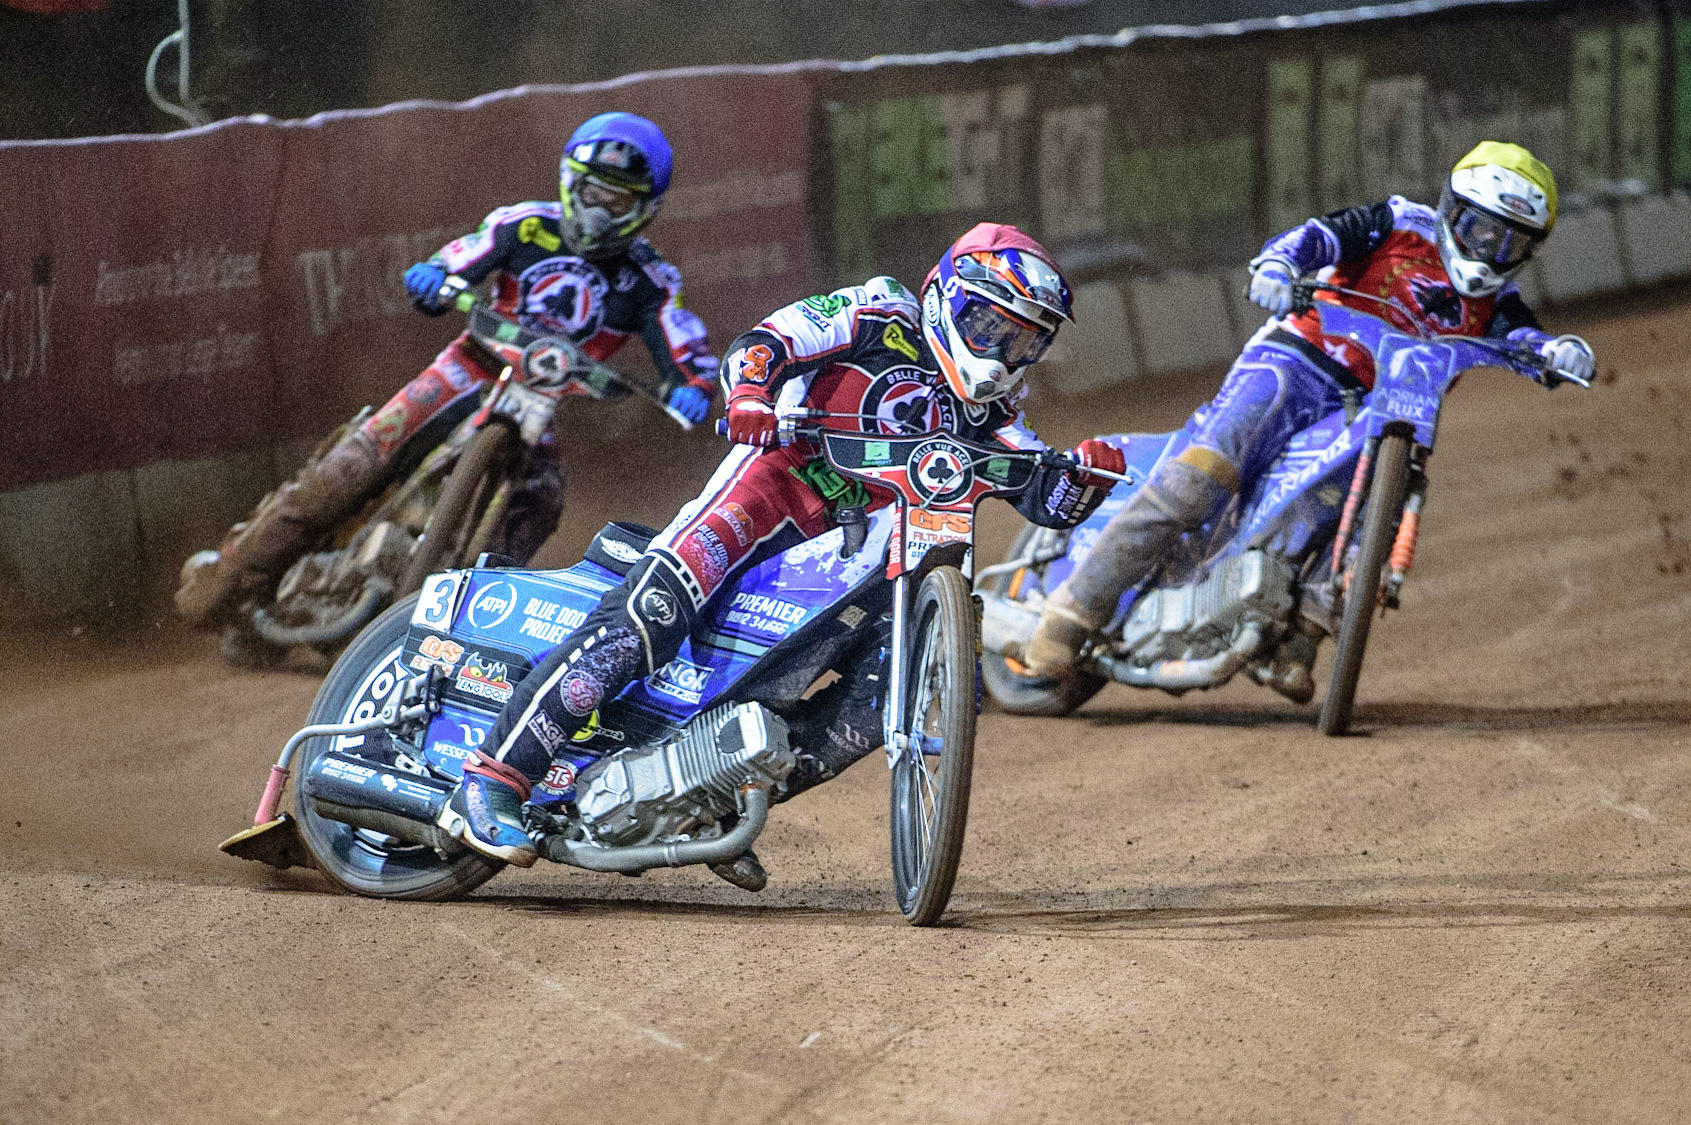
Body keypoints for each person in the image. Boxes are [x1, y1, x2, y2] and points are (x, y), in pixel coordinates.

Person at [439, 222, 1128, 881]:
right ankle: (493, 778)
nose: (1001, 350)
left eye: (1021, 340)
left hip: (856, 552)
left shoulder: (995, 413)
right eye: (988, 325)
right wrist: (748, 394)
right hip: (771, 484)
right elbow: (768, 340)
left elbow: (1043, 494)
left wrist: (1084, 481)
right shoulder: (879, 312)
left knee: (899, 693)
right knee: (649, 616)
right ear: (946, 293)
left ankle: (712, 800)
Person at [1020, 141, 1597, 694]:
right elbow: (1321, 236)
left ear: (1528, 252)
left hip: (1383, 409)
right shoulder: (1398, 225)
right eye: (1481, 229)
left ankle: (1299, 637)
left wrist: (1556, 353)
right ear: (1452, 211)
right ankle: (1073, 612)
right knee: (1203, 475)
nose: (1490, 248)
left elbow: (1523, 338)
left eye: (1509, 242)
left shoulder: (1496, 304)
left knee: (1366, 506)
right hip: (1297, 362)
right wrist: (1278, 264)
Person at [175, 111, 719, 637]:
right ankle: (224, 579)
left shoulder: (651, 279)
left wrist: (693, 385)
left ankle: (465, 628)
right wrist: (434, 275)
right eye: (594, 192)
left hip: (539, 404)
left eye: (617, 199)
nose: (600, 210)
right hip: (467, 367)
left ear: (644, 208)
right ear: (571, 184)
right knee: (354, 463)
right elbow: (462, 258)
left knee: (542, 501)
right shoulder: (524, 225)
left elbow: (681, 340)